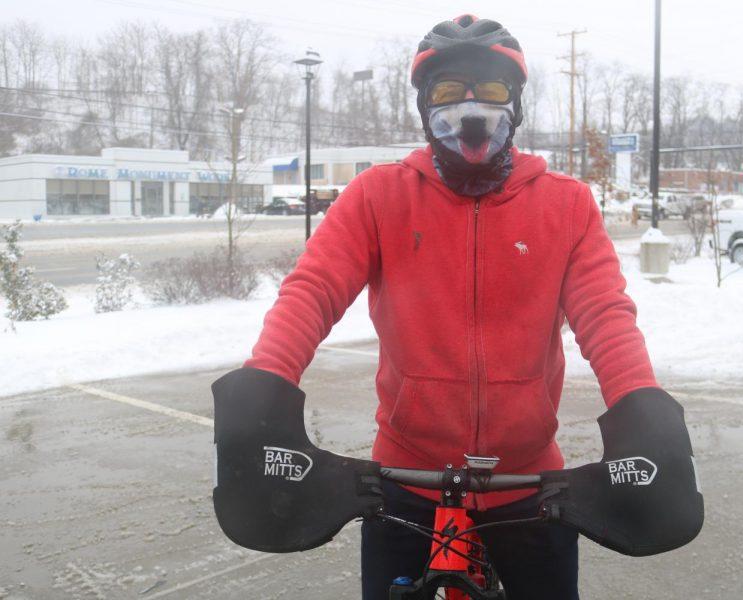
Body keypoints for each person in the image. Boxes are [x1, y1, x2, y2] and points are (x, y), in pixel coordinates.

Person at [216, 15, 700, 600]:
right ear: (424, 106)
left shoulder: (566, 205)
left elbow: (605, 316)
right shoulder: (377, 195)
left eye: (491, 91)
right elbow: (312, 290)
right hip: (405, 480)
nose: (471, 109)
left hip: (527, 483)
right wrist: (263, 389)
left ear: (516, 103)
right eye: (449, 92)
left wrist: (641, 411)